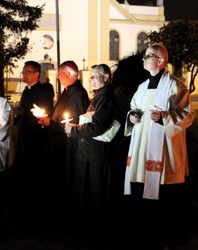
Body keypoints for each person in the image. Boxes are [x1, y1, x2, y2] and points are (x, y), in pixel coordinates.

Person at [124, 44, 195, 249]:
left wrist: (164, 117)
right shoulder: (142, 86)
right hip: (141, 149)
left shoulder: (175, 85)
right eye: (144, 56)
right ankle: (143, 236)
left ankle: (164, 239)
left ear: (161, 61)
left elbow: (188, 114)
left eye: (149, 56)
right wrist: (133, 116)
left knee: (163, 199)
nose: (144, 59)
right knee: (142, 195)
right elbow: (132, 109)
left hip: (163, 152)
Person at [64, 64, 120, 239]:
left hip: (98, 155)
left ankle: (96, 231)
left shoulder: (107, 98)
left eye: (96, 76)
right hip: (90, 153)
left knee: (96, 194)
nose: (92, 80)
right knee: (88, 192)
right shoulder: (99, 97)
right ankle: (86, 228)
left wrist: (74, 130)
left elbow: (97, 126)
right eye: (91, 77)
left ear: (107, 77)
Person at [38, 60, 90, 223]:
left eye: (59, 74)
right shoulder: (69, 91)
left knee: (65, 181)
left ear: (66, 75)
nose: (58, 77)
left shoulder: (76, 94)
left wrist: (49, 122)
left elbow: (71, 124)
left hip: (67, 148)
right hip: (59, 144)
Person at [11, 60, 54, 221]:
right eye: (23, 72)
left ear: (37, 74)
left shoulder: (43, 91)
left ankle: (34, 206)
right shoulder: (26, 91)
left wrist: (25, 113)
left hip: (35, 138)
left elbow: (44, 112)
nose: (24, 74)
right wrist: (18, 113)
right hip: (24, 136)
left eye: (27, 72)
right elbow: (25, 109)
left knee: (33, 170)